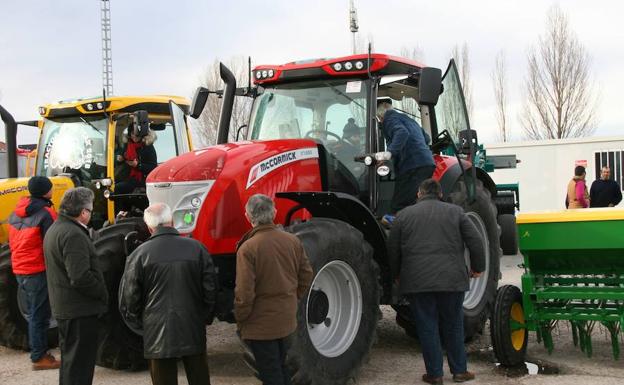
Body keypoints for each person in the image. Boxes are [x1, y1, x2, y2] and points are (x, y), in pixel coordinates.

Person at [388, 179, 485, 384]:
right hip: (452, 281)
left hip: (418, 282)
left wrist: (396, 274)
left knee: (427, 326)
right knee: (453, 325)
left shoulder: (403, 216)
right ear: (440, 194)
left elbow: (393, 250)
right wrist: (478, 267)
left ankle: (435, 374)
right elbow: (475, 241)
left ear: (418, 194)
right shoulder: (456, 212)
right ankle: (459, 371)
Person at [119, 202, 217, 385]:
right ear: (172, 221)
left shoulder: (139, 255)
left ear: (149, 228)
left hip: (156, 330)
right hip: (192, 325)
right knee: (199, 377)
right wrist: (204, 317)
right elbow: (210, 290)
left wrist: (143, 324)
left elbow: (130, 297)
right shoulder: (197, 248)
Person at [235, 194, 313, 385]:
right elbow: (306, 275)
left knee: (270, 373)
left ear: (248, 216)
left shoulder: (248, 248)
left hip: (260, 324)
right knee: (282, 367)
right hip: (286, 318)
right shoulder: (292, 241)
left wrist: (240, 317)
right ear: (274, 212)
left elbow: (245, 293)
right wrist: (292, 297)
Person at [43, 187, 108, 385]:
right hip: (79, 311)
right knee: (79, 367)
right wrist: (102, 292)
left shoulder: (56, 228)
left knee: (71, 363)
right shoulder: (73, 235)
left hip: (67, 308)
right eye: (90, 210)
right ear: (83, 212)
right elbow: (80, 277)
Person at [8, 176, 60, 370]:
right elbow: (53, 243)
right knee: (40, 315)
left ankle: (39, 351)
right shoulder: (46, 214)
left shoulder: (16, 212)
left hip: (19, 268)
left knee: (33, 313)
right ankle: (39, 357)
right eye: (50, 188)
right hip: (37, 269)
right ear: (46, 191)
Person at [376, 98, 435, 224]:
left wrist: (388, 154)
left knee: (399, 205)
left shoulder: (389, 119)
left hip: (412, 166)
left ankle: (400, 233)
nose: (381, 121)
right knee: (414, 201)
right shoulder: (408, 119)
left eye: (379, 119)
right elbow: (426, 138)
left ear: (381, 115)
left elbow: (402, 133)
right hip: (426, 163)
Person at [114, 122, 158, 196]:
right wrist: (120, 160)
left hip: (141, 180)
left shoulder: (148, 147)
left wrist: (138, 165)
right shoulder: (127, 145)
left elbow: (153, 167)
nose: (134, 136)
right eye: (132, 133)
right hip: (126, 177)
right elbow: (120, 160)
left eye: (136, 134)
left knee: (118, 188)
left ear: (141, 134)